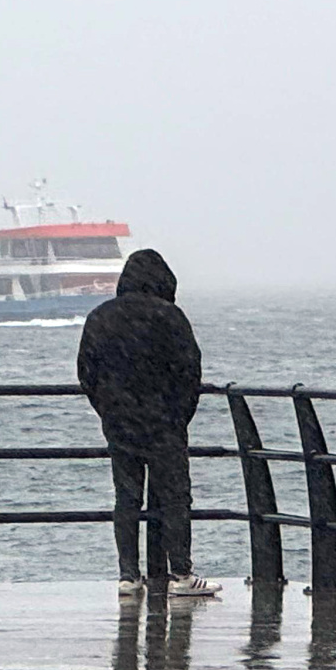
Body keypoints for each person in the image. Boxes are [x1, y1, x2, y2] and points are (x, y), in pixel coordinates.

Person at [77, 249, 221, 597]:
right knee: (175, 498)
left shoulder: (101, 317)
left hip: (120, 424)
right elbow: (190, 371)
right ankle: (181, 575)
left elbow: (86, 371)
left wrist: (109, 409)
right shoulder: (170, 317)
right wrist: (177, 415)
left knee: (126, 499)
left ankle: (128, 575)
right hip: (164, 424)